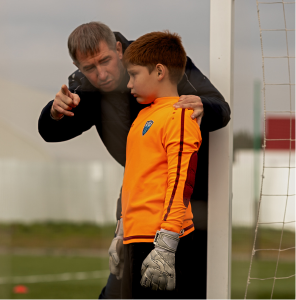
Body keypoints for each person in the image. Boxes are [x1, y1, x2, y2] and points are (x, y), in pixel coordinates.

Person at [38, 22, 231, 299]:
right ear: (77, 66)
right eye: (89, 68)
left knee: (189, 288)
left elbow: (220, 108)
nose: (101, 74)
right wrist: (53, 112)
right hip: (138, 207)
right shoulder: (84, 88)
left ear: (119, 49)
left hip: (188, 204)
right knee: (117, 293)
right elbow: (51, 132)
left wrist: (203, 105)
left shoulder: (155, 58)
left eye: (105, 61)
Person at [117, 30, 202, 299]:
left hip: (163, 242)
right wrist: (121, 230)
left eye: (133, 75)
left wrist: (166, 245)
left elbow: (181, 184)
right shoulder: (143, 115)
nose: (129, 84)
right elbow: (134, 179)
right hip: (136, 238)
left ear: (159, 71)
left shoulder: (178, 115)